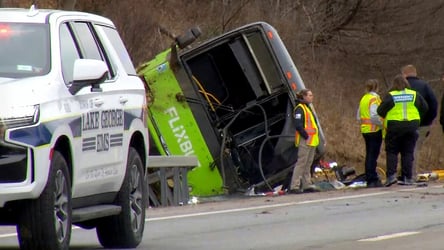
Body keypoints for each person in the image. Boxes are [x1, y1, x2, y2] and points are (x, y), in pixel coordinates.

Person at [377, 75, 428, 186]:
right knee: (408, 152)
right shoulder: (414, 95)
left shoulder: (391, 96)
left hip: (394, 126)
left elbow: (380, 110)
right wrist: (416, 117)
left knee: (392, 152)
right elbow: (425, 107)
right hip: (411, 126)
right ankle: (407, 177)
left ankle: (391, 176)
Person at [401, 65, 437, 180]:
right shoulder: (424, 85)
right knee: (415, 148)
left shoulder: (400, 87)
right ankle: (411, 174)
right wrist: (428, 120)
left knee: (403, 148)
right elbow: (433, 104)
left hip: (402, 122)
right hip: (422, 124)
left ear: (404, 74)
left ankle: (404, 174)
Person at [289, 89, 321, 193]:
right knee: (301, 163)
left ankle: (307, 184)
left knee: (308, 163)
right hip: (305, 140)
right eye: (310, 95)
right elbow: (298, 125)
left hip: (311, 141)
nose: (312, 97)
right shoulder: (300, 108)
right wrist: (306, 136)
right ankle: (295, 186)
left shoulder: (307, 107)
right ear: (304, 97)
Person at [357, 79, 383, 188]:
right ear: (376, 87)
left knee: (369, 154)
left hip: (365, 130)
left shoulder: (364, 98)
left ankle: (369, 176)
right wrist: (382, 124)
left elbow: (358, 117)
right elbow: (374, 115)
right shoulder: (374, 98)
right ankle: (372, 178)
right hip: (374, 130)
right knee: (373, 155)